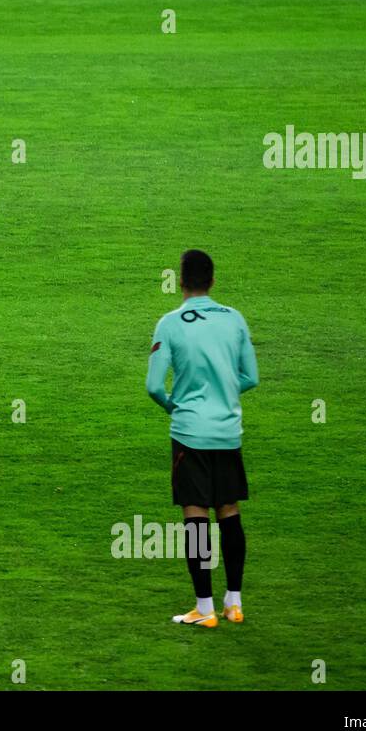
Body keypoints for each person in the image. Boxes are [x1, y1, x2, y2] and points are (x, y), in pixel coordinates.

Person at [146, 250, 258, 628]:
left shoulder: (170, 323)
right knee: (229, 511)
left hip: (190, 434)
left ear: (181, 282)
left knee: (196, 516)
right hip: (227, 432)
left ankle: (205, 608)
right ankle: (235, 603)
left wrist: (176, 407)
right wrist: (223, 394)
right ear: (212, 281)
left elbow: (153, 387)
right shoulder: (235, 319)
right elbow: (251, 377)